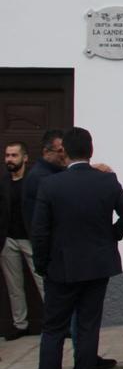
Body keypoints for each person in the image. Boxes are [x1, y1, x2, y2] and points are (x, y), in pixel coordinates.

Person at [32, 127, 123, 369]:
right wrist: (111, 237)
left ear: (63, 151)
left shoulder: (51, 185)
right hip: (97, 265)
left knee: (54, 329)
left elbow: (40, 232)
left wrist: (41, 263)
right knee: (89, 326)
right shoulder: (107, 181)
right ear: (90, 151)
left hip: (61, 267)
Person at [1, 141, 44, 341]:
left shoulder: (33, 181)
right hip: (8, 239)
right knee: (14, 286)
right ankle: (21, 325)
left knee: (43, 281)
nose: (9, 159)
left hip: (30, 239)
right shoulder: (3, 181)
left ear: (25, 158)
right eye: (8, 155)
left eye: (14, 155)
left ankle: (58, 322)